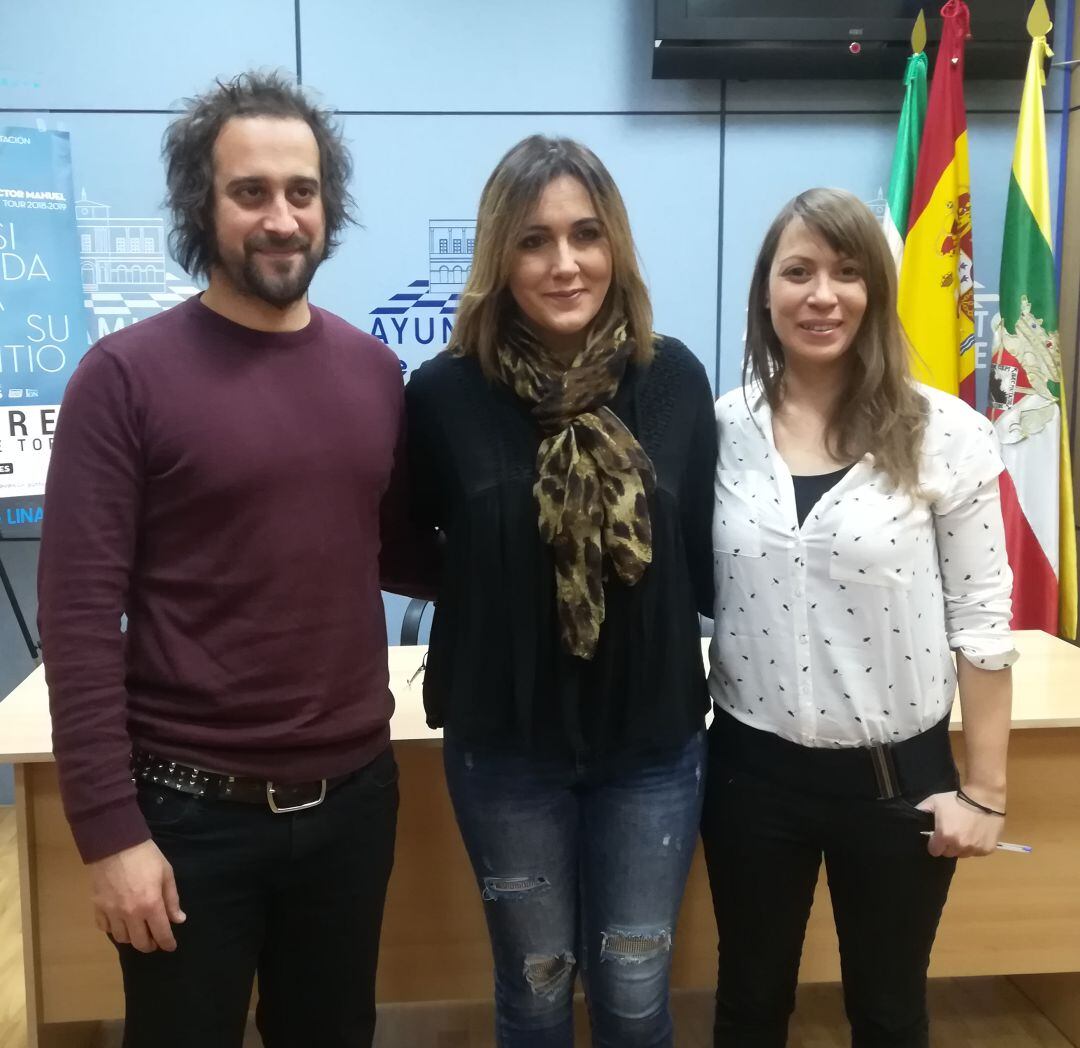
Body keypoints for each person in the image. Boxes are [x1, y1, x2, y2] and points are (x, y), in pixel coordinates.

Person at [37, 71, 415, 1048]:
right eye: (251, 192)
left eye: (302, 190)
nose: (281, 217)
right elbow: (77, 623)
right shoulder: (123, 378)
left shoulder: (374, 374)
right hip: (186, 817)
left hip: (355, 803)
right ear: (202, 207)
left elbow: (407, 548)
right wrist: (111, 833)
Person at [403, 134, 717, 1047]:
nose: (565, 262)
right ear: (500, 254)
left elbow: (699, 551)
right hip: (506, 749)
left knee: (632, 991)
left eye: (586, 234)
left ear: (614, 244)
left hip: (652, 747)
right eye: (535, 240)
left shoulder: (673, 381)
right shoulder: (443, 394)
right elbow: (424, 542)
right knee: (536, 992)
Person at [701, 186, 1016, 1048]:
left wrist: (983, 793)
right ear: (766, 291)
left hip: (898, 780)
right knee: (749, 1003)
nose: (821, 295)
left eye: (846, 273)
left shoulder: (944, 432)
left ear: (876, 289)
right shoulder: (721, 428)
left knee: (886, 1009)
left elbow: (984, 620)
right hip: (748, 772)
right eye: (797, 272)